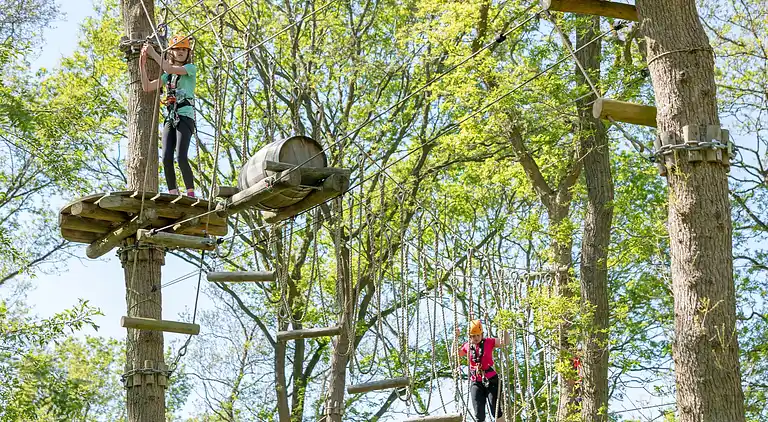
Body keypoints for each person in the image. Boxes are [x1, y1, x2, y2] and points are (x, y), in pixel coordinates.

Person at [139, 34, 197, 197]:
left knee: (181, 156)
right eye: (177, 49)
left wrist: (153, 53)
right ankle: (173, 191)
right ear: (171, 52)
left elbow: (170, 68)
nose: (180, 52)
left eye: (184, 50)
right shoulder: (167, 77)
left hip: (185, 115)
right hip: (170, 118)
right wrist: (142, 65)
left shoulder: (190, 69)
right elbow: (147, 86)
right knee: (165, 157)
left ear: (188, 53)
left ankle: (190, 192)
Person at [456, 319, 509, 422]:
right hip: (476, 381)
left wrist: (504, 328)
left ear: (482, 334)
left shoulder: (489, 342)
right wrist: (456, 337)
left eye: (478, 335)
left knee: (495, 409)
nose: (476, 338)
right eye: (473, 336)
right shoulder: (467, 346)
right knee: (479, 414)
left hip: (491, 379)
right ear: (469, 336)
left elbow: (505, 342)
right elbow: (456, 354)